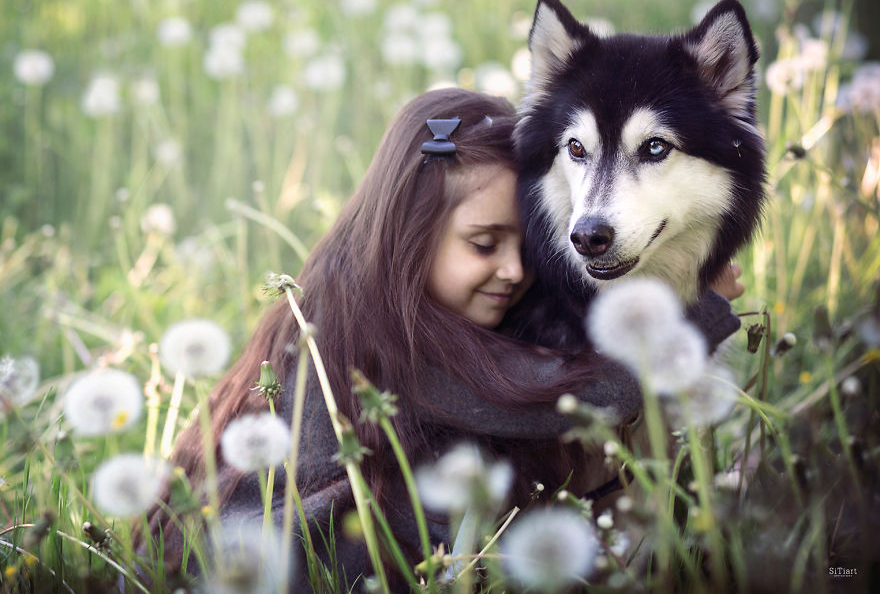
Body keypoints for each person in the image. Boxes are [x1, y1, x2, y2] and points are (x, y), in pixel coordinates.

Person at [146, 88, 741, 590]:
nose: (514, 270)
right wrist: (692, 309)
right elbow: (578, 397)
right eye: (484, 244)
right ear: (411, 235)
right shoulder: (386, 335)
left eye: (529, 245)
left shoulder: (365, 295)